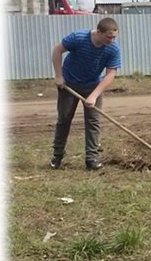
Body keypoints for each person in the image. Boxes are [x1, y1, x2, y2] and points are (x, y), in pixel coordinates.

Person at [49, 17, 122, 170]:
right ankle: (57, 156)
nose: (112, 40)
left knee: (93, 122)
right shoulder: (79, 38)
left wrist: (94, 95)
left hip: (92, 85)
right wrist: (58, 75)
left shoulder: (113, 49)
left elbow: (110, 75)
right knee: (64, 119)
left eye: (114, 36)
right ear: (99, 32)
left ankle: (92, 159)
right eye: (109, 36)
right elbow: (57, 50)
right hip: (69, 84)